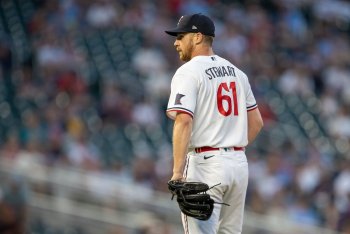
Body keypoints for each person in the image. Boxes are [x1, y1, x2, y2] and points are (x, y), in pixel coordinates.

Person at [164, 13, 264, 234]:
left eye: (181, 36)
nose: (176, 42)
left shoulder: (189, 72)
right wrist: (231, 148)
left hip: (206, 164)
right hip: (238, 165)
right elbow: (256, 122)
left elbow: (183, 120)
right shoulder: (238, 73)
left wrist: (177, 172)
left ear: (198, 37)